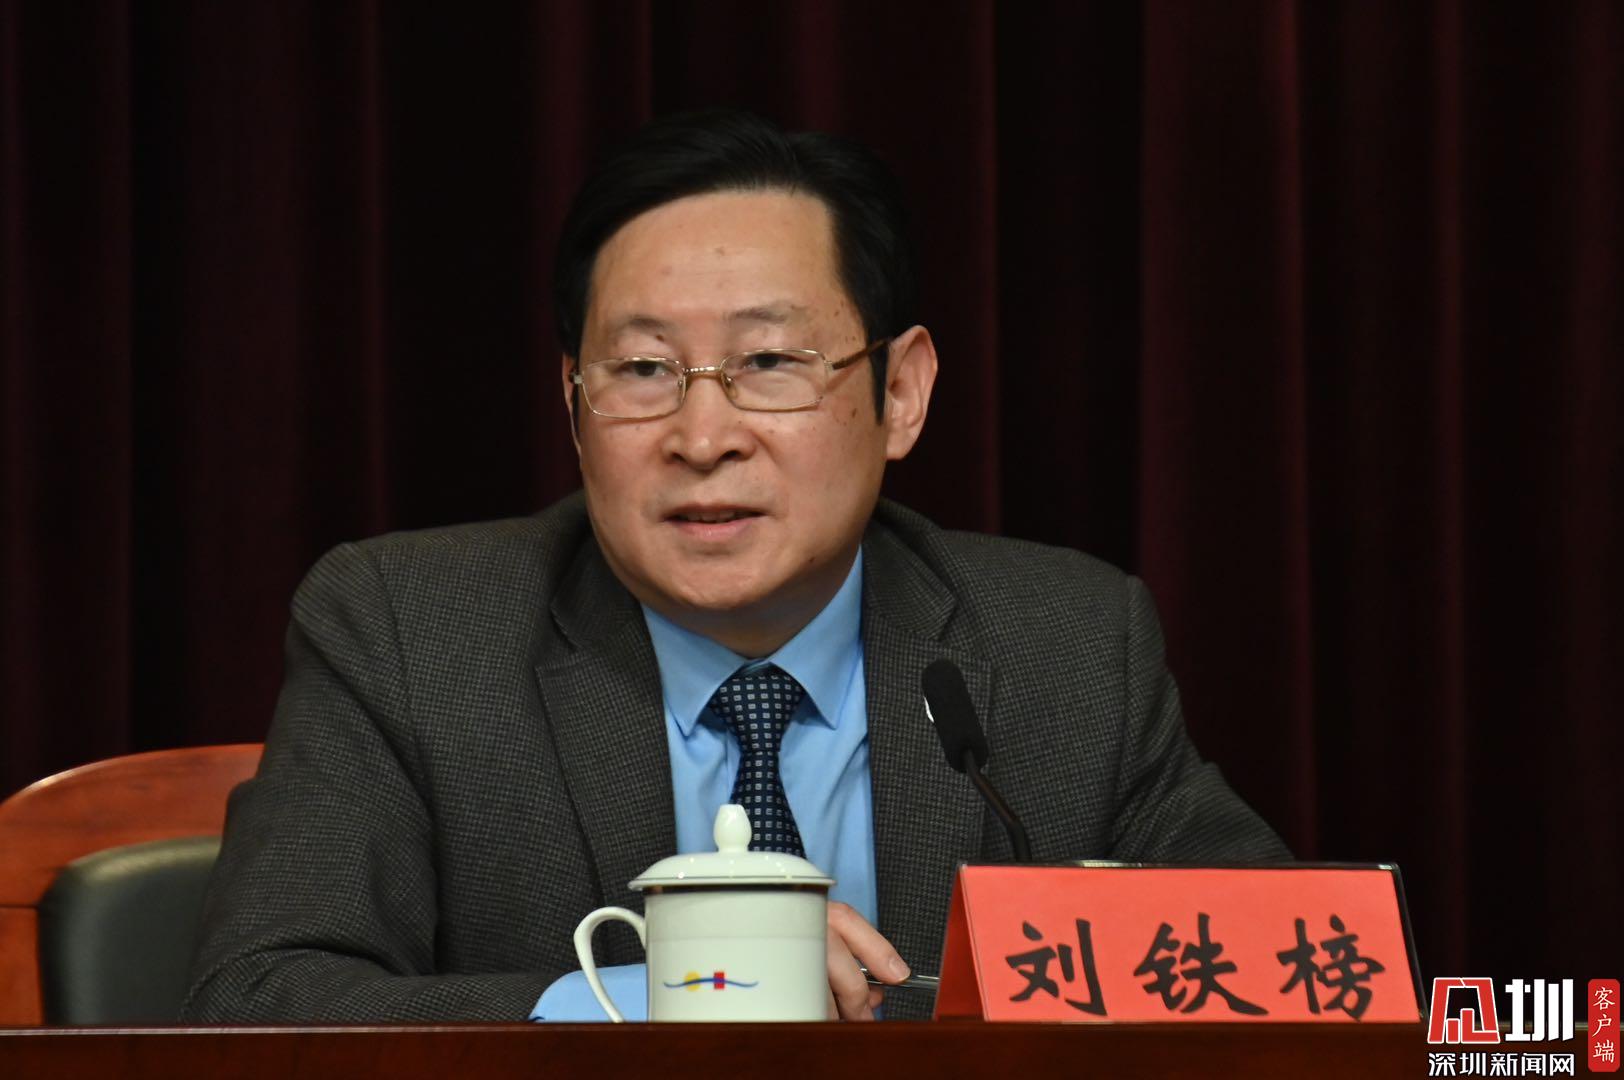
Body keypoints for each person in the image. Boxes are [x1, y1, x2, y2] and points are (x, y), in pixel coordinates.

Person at [181, 109, 1288, 1025]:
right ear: (573, 403)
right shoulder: (408, 635)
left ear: (901, 393)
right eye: (643, 369)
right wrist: (668, 996)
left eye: (768, 360)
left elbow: (1292, 968)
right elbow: (259, 999)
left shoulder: (1067, 646)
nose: (702, 436)